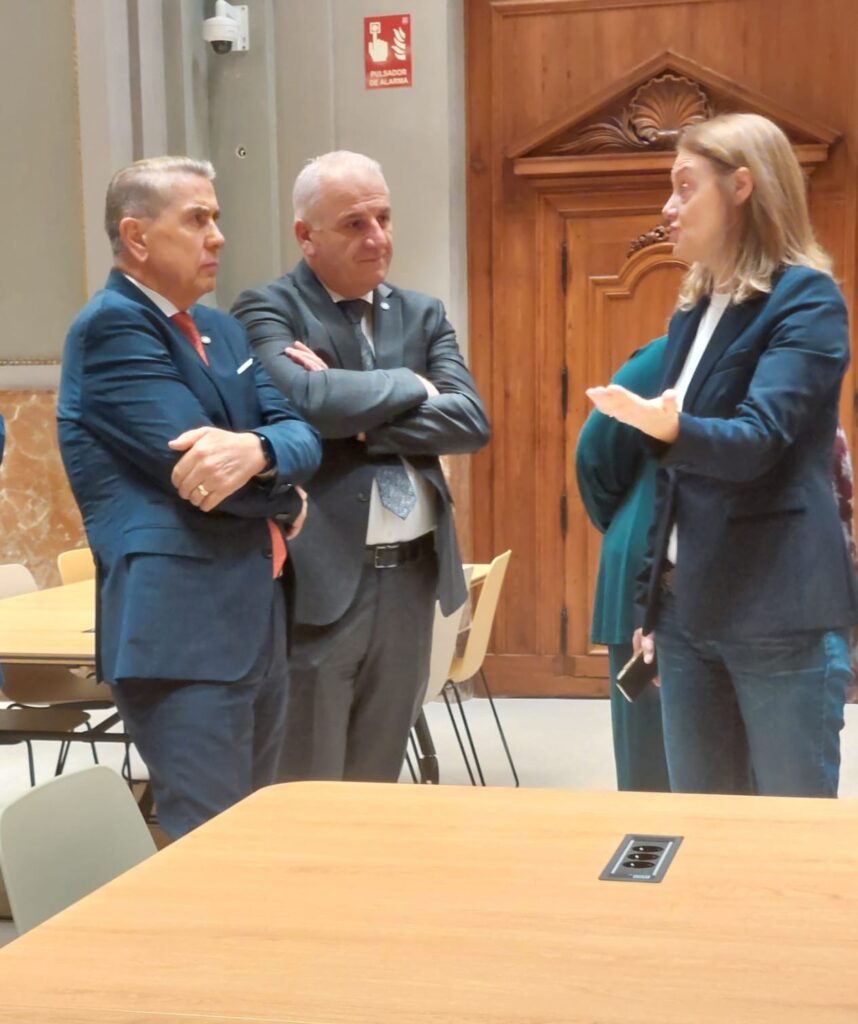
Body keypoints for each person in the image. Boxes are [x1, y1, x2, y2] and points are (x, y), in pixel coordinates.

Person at [586, 113, 858, 798]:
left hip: (777, 614)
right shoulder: (694, 309)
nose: (667, 207)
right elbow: (672, 482)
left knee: (788, 833)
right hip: (686, 613)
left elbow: (759, 440)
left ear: (742, 187)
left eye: (685, 187)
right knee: (704, 829)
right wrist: (650, 605)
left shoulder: (807, 299)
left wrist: (668, 428)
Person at [57, 156, 322, 838]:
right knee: (209, 841)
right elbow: (198, 477)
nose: (218, 236)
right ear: (137, 237)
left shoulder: (221, 330)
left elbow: (300, 434)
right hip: (181, 630)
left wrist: (259, 449)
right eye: (197, 219)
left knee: (253, 831)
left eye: (217, 218)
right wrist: (288, 501)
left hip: (254, 616)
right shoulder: (112, 328)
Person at [232, 150, 490, 783]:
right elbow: (305, 401)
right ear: (306, 235)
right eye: (354, 224)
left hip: (412, 578)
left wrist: (360, 415)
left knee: (378, 778)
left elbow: (470, 422)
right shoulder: (268, 309)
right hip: (319, 578)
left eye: (384, 218)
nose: (377, 237)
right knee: (310, 779)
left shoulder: (422, 313)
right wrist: (414, 384)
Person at [576, 336, 671, 792]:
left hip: (731, 568)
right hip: (648, 557)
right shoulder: (668, 353)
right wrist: (627, 518)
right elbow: (595, 451)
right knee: (652, 765)